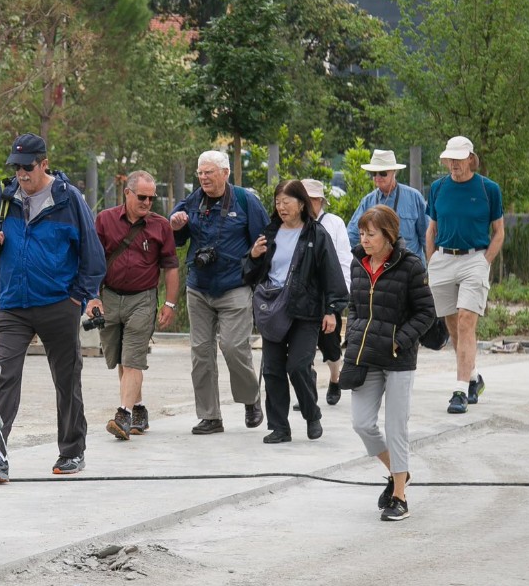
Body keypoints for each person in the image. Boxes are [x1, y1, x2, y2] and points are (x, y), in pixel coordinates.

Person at [0, 133, 104, 481]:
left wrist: (79, 297)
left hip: (59, 303)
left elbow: (92, 253)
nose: (22, 174)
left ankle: (72, 451)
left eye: (28, 167)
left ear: (44, 163)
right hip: (13, 304)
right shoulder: (2, 196)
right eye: (16, 167)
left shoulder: (69, 199)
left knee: (66, 379)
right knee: (3, 374)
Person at [345, 205, 436, 522]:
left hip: (399, 359)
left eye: (371, 234)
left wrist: (399, 340)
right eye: (361, 233)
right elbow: (354, 306)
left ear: (389, 236)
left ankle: (399, 496)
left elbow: (426, 314)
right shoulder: (359, 264)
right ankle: (400, 472)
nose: (365, 239)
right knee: (362, 423)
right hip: (366, 356)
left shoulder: (411, 267)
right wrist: (353, 334)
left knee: (396, 427)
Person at [170, 150, 269, 435]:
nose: (203, 178)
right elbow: (176, 237)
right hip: (199, 286)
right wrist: (176, 227)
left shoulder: (245, 200)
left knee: (234, 347)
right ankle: (210, 416)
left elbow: (265, 240)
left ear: (225, 173)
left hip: (234, 285)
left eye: (209, 172)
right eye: (200, 173)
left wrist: (253, 264)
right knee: (201, 352)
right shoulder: (193, 200)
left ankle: (250, 398)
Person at [242, 180, 347, 443]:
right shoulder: (270, 232)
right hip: (273, 309)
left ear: (301, 204)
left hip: (306, 310)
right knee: (273, 370)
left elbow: (331, 273)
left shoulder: (316, 234)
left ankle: (312, 414)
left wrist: (332, 310)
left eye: (286, 202)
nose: (281, 208)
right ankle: (279, 427)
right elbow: (250, 273)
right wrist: (253, 256)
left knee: (299, 366)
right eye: (278, 203)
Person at [85, 170, 180, 439]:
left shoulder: (161, 226)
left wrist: (170, 304)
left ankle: (123, 414)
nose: (148, 203)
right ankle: (138, 408)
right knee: (119, 360)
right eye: (142, 197)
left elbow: (171, 267)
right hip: (110, 297)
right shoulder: (104, 220)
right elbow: (92, 261)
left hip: (143, 298)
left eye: (152, 198)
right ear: (127, 193)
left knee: (133, 358)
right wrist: (92, 296)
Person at [425, 136, 504, 415]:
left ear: (471, 158)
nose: (453, 165)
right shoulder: (437, 188)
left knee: (466, 321)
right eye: (449, 159)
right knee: (453, 326)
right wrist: (432, 259)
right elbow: (431, 229)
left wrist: (485, 262)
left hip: (474, 259)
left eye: (458, 159)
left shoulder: (488, 189)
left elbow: (499, 232)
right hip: (443, 259)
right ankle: (473, 378)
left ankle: (459, 391)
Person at [303, 179, 353, 406]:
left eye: (314, 199)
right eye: (306, 198)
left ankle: (335, 377)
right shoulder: (295, 223)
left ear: (321, 201)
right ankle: (307, 388)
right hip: (303, 293)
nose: (310, 203)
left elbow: (344, 259)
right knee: (301, 343)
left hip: (328, 291)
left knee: (330, 343)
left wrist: (339, 298)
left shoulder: (333, 223)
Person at [346, 150, 429, 257]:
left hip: (409, 267)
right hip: (378, 267)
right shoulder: (367, 201)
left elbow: (426, 236)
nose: (377, 177)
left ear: (394, 172)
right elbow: (351, 235)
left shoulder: (414, 197)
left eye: (383, 173)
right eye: (374, 173)